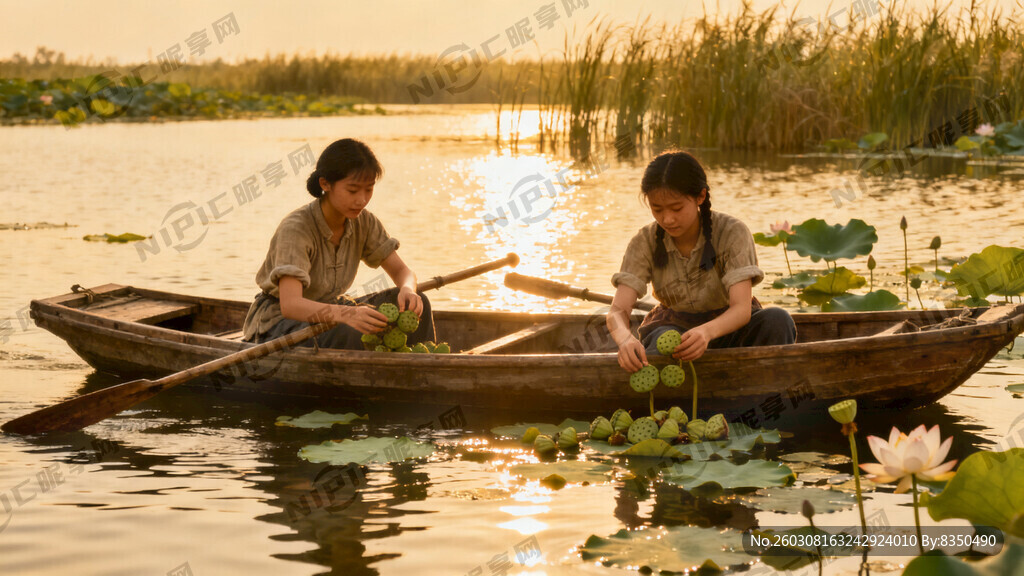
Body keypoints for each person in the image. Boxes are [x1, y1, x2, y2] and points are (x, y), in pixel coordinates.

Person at [606, 151, 795, 372]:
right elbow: (617, 311)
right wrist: (625, 340)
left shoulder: (732, 232)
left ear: (700, 196)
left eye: (676, 208)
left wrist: (705, 332)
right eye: (657, 209)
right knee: (666, 341)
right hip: (673, 329)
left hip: (730, 327)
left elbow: (741, 309)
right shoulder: (644, 241)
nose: (667, 219)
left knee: (777, 319)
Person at [241, 138, 434, 349]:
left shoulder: (364, 221)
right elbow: (291, 305)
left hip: (331, 309)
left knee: (418, 302)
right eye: (352, 190)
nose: (361, 200)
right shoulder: (296, 228)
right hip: (278, 323)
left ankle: (421, 365)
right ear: (326, 184)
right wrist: (348, 314)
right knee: (354, 329)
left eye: (368, 190)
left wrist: (408, 289)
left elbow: (402, 271)